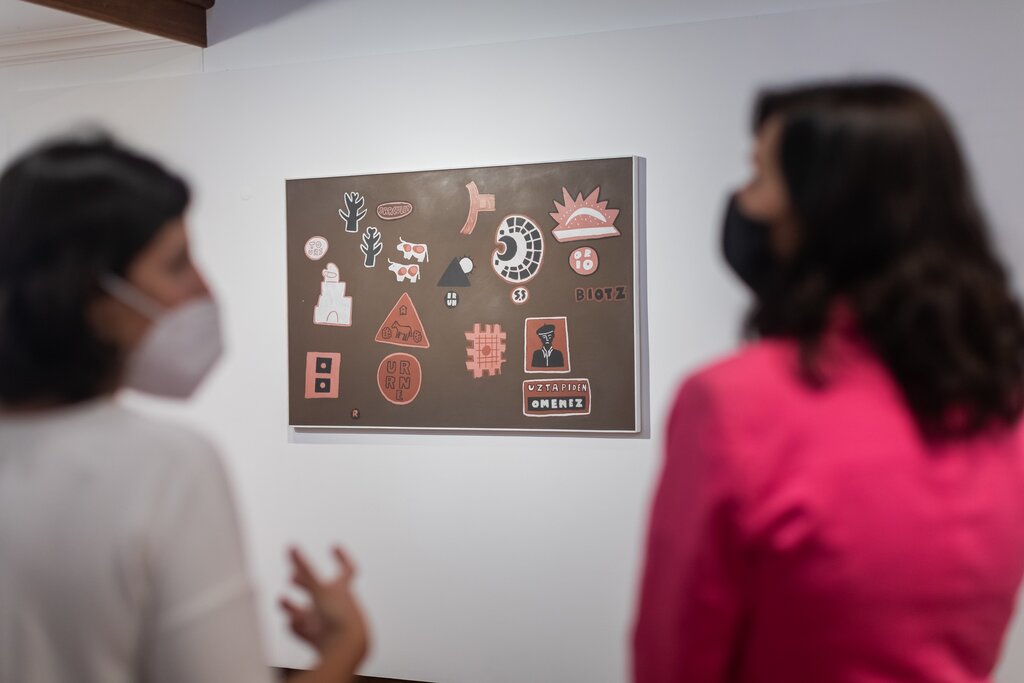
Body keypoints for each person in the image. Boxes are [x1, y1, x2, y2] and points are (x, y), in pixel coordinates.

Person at [633, 81, 1024, 682]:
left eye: (760, 176)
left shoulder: (735, 404)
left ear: (824, 211)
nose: (742, 199)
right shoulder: (1000, 405)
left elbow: (677, 658)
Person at [0, 133, 369, 683]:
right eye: (176, 265)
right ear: (92, 294)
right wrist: (344, 649)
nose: (203, 289)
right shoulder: (165, 468)